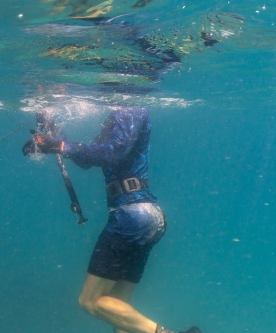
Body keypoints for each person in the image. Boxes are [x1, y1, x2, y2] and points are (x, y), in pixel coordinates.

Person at [22, 107, 201, 333]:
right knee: (118, 311)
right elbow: (89, 158)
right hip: (145, 219)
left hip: (130, 218)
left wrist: (56, 145)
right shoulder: (117, 118)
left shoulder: (128, 108)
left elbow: (113, 152)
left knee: (89, 301)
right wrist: (51, 128)